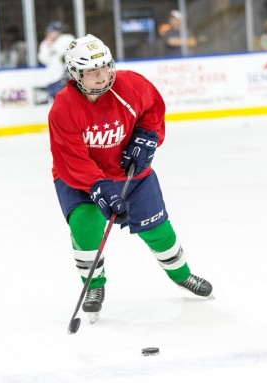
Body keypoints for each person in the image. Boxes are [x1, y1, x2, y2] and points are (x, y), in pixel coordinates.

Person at [48, 34, 213, 323]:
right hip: (81, 179)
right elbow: (71, 159)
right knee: (86, 230)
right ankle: (94, 287)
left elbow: (153, 111)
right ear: (75, 74)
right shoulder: (64, 107)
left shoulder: (131, 85)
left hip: (131, 174)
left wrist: (148, 137)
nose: (100, 76)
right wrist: (99, 187)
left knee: (158, 229)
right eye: (91, 71)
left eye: (104, 67)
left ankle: (182, 275)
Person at [38, 21, 75, 99]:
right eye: (50, 31)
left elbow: (73, 52)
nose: (52, 33)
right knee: (57, 102)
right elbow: (43, 60)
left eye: (55, 31)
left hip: (66, 77)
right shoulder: (45, 44)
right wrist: (48, 46)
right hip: (52, 78)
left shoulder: (67, 38)